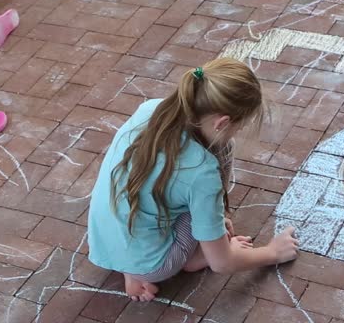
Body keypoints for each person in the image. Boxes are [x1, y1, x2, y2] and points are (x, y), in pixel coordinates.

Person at [87, 58, 300, 301]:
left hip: (103, 241)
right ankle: (191, 258)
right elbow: (222, 263)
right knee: (220, 156)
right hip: (154, 265)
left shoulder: (152, 110)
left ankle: (130, 268)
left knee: (161, 187)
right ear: (222, 122)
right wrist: (272, 253)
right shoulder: (202, 172)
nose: (238, 133)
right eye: (239, 127)